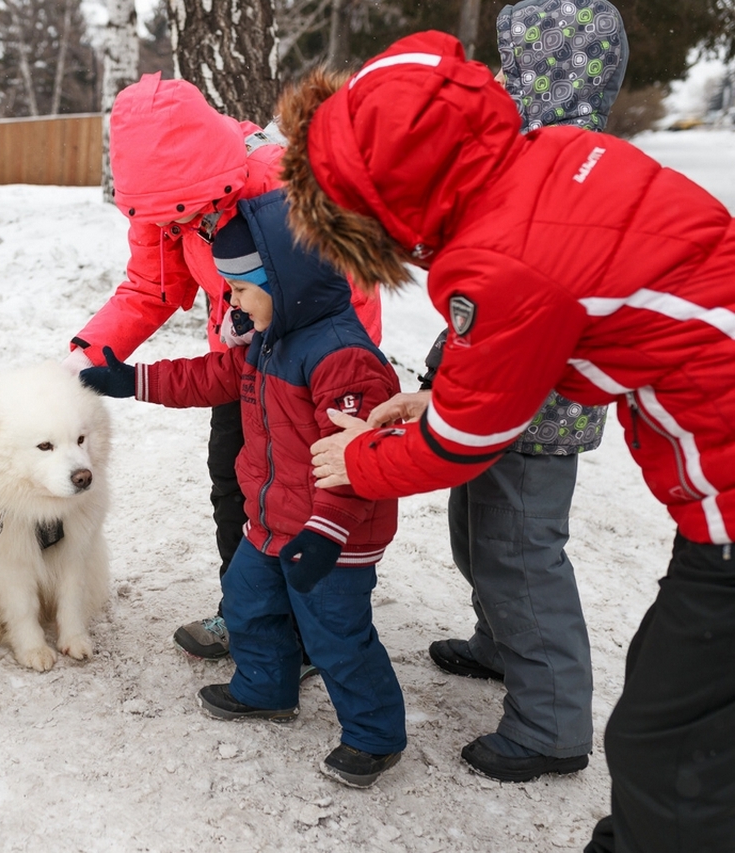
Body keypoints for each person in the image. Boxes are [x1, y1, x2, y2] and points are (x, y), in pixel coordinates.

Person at [280, 27, 735, 853]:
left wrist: (357, 460)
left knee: (667, 734)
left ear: (387, 200)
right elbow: (558, 326)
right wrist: (430, 395)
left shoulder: (497, 260)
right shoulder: (551, 156)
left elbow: (465, 443)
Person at [370, 0, 628, 784]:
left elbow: (536, 298)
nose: (502, 80)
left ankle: (551, 722)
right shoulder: (530, 159)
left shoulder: (574, 172)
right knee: (478, 534)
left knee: (521, 552)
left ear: (545, 73)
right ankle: (500, 641)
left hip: (538, 409)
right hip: (490, 389)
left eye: (516, 66)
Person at [80, 190, 405, 788]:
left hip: (332, 532)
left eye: (240, 290)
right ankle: (265, 688)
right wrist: (134, 380)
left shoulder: (344, 360)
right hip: (272, 518)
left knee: (336, 637)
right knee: (250, 605)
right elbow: (212, 375)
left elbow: (358, 458)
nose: (229, 302)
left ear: (286, 282)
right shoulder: (268, 337)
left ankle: (374, 734)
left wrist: (326, 532)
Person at [63, 71, 381, 663]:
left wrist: (345, 390)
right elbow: (149, 288)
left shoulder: (280, 183)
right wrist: (86, 356)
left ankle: (309, 630)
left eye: (187, 216)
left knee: (304, 495)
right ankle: (249, 616)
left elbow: (350, 288)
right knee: (236, 484)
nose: (178, 229)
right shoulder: (161, 206)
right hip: (238, 363)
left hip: (315, 371)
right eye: (166, 221)